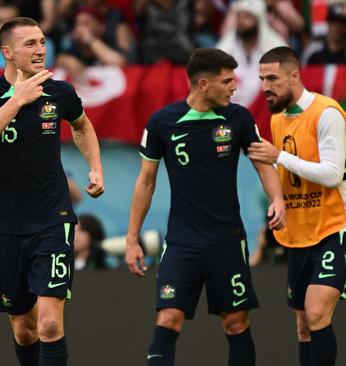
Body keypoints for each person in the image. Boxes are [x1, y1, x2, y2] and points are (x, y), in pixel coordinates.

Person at [125, 48, 285, 366]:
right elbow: (145, 182)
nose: (233, 87)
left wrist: (277, 198)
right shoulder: (162, 123)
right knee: (168, 318)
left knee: (236, 322)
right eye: (226, 81)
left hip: (227, 241)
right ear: (202, 84)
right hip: (182, 243)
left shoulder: (238, 118)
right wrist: (132, 238)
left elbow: (263, 164)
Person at [0, 17, 104, 366]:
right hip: (6, 224)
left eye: (42, 42)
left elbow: (82, 126)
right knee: (25, 330)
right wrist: (18, 99)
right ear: (7, 52)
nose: (41, 50)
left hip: (52, 220)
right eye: (31, 44)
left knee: (51, 322)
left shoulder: (60, 92)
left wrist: (95, 167)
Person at [248, 46, 346, 366]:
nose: (265, 86)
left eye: (273, 78)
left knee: (317, 312)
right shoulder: (278, 120)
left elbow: (332, 174)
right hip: (300, 233)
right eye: (262, 78)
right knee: (304, 326)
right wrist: (278, 202)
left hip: (334, 228)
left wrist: (278, 156)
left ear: (295, 76)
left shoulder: (326, 113)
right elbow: (285, 173)